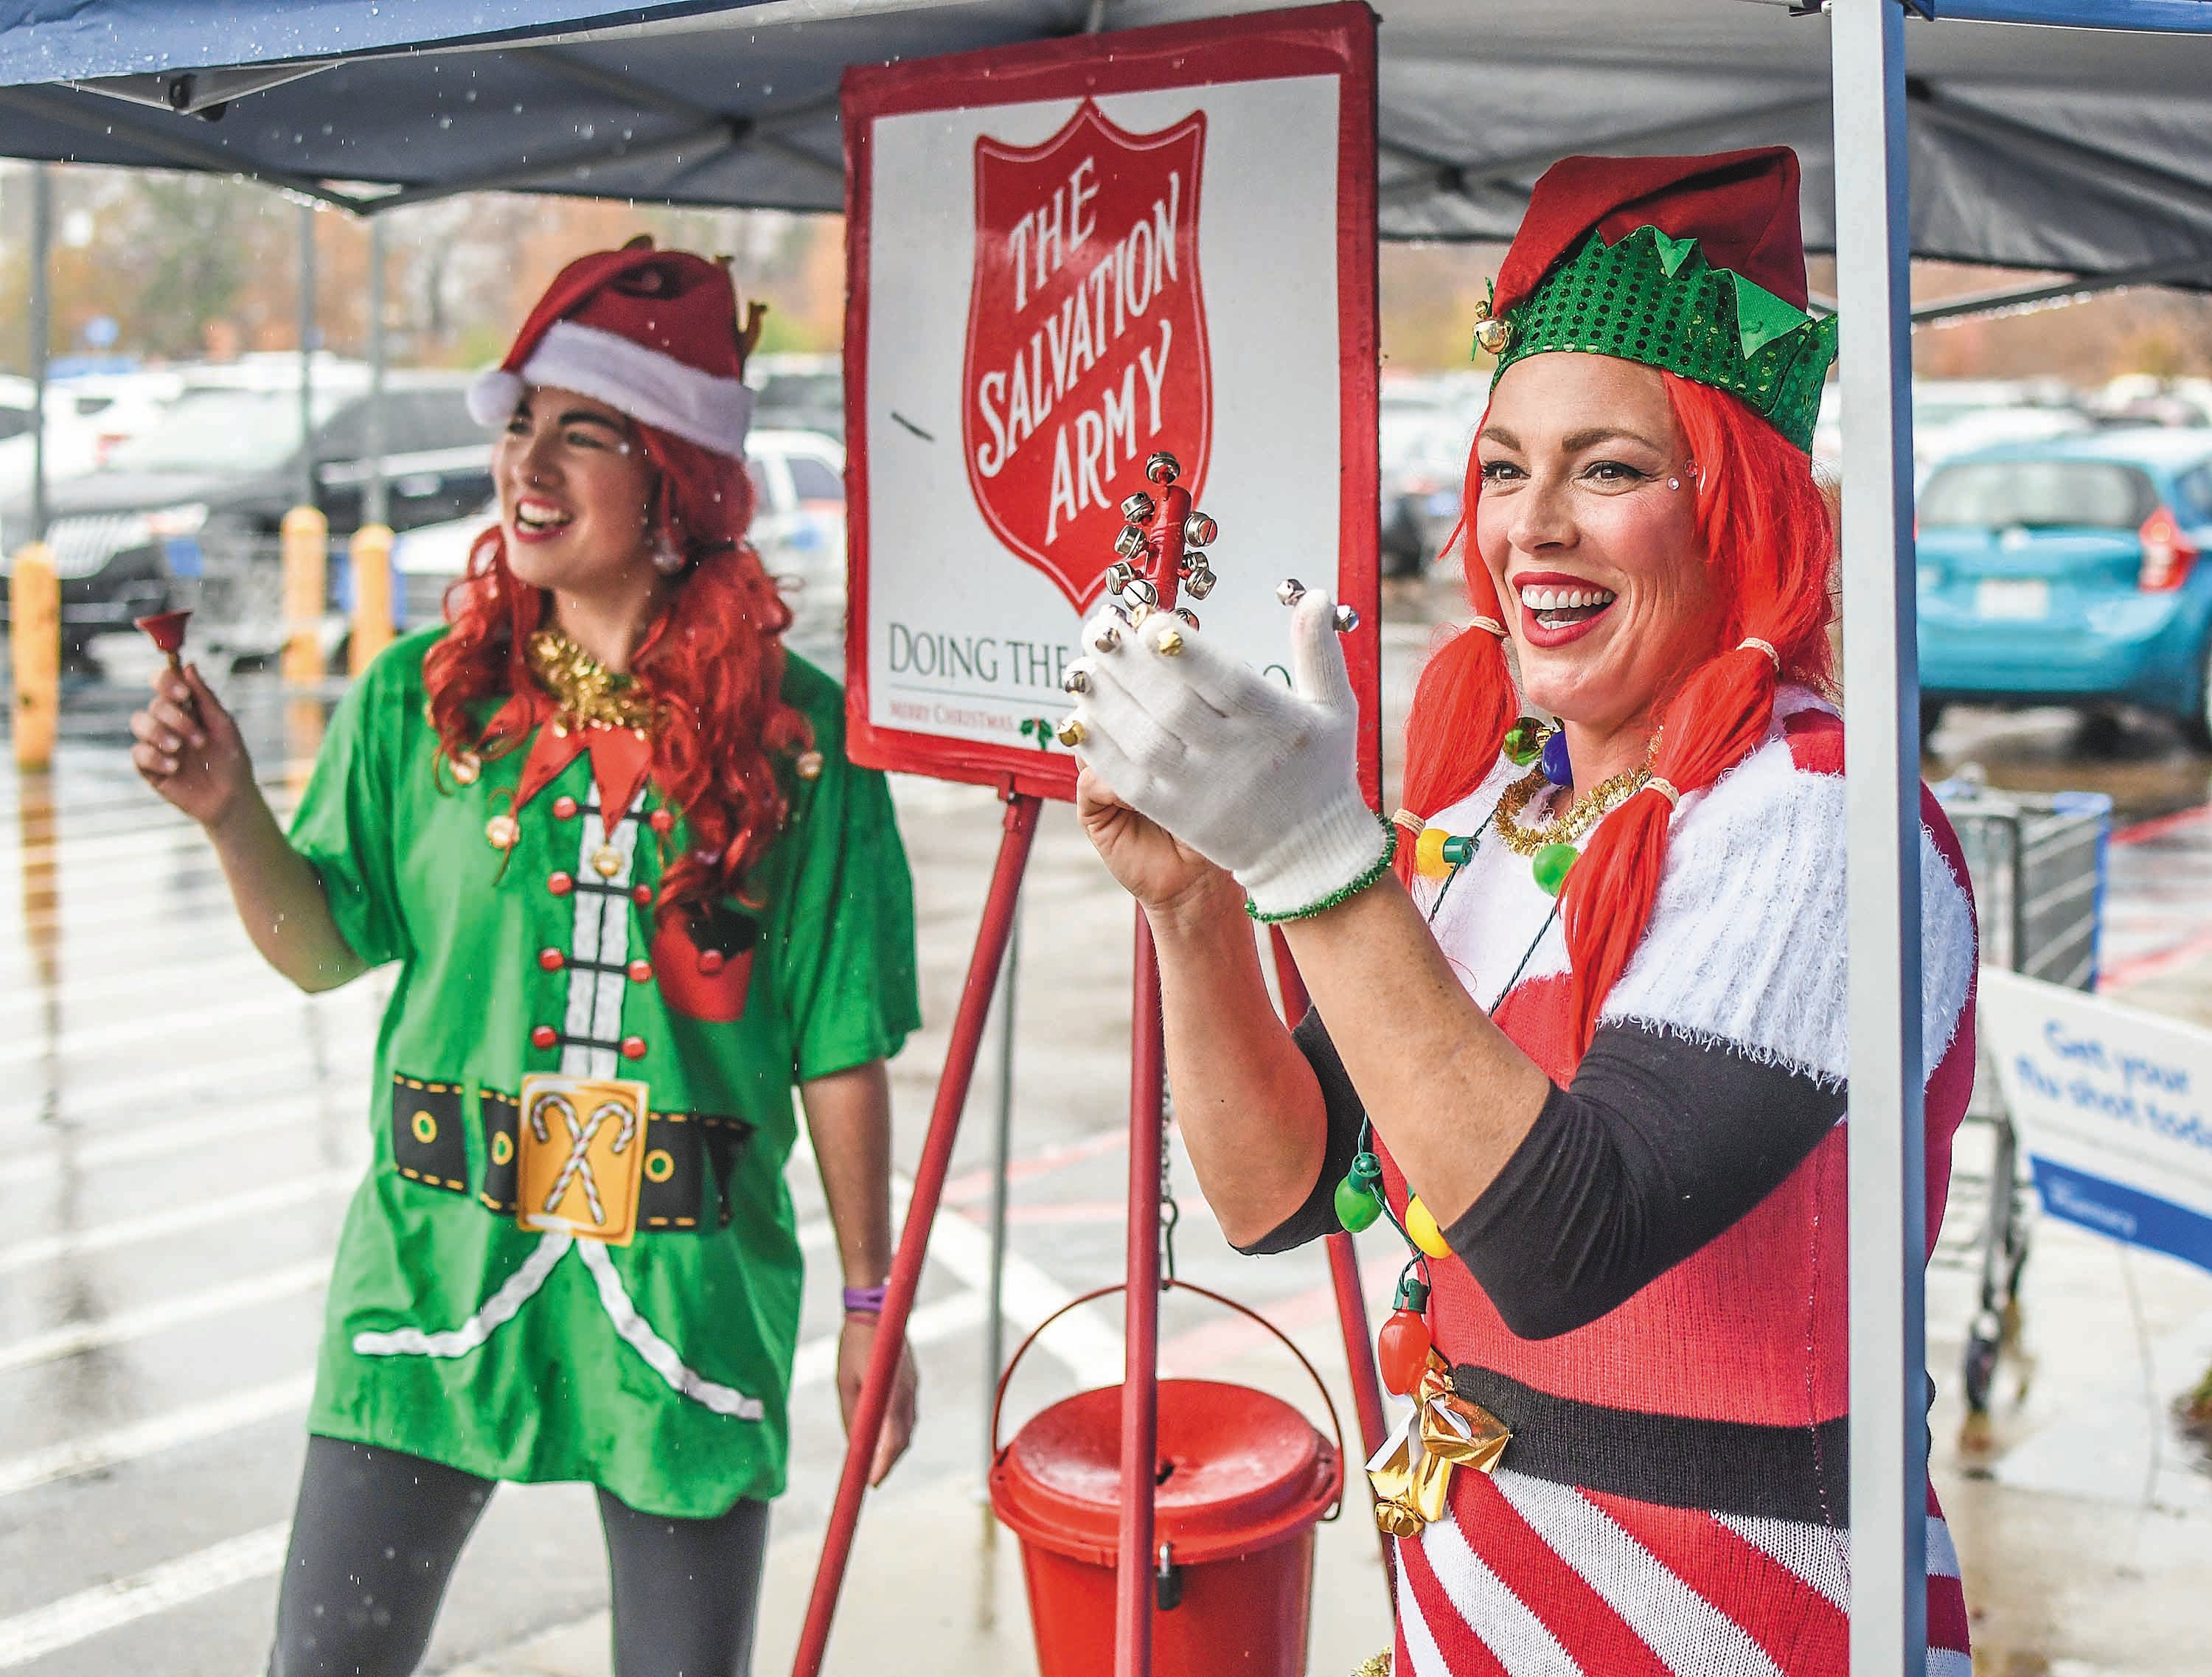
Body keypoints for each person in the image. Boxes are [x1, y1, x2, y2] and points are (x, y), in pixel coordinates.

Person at [1062, 150, 1978, 1675]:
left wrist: (1316, 860)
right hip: (1473, 1606)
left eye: (1610, 469)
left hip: (1762, 1628)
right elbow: (1280, 1193)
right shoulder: (1500, 807)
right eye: (1504, 467)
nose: (1532, 525)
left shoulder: (1823, 816)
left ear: (1739, 507)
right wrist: (1198, 903)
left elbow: (1568, 1238)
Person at [129, 240, 922, 1677]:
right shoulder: (425, 705)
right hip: (434, 1271)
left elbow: (842, 1041)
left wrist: (874, 1302)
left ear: (678, 475)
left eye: (587, 430)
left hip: (686, 1293)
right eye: (519, 423)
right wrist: (230, 810)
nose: (528, 465)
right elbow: (323, 950)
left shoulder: (803, 750)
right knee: (326, 1665)